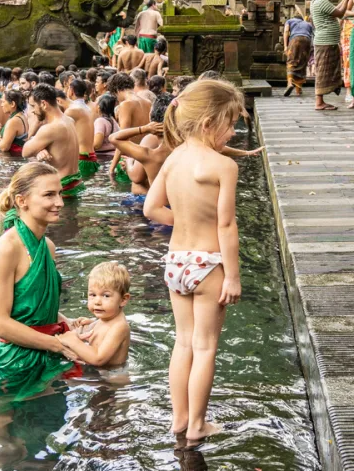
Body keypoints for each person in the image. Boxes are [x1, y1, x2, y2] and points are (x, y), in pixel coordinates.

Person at [143, 80, 244, 443]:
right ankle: (199, 424)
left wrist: (184, 220)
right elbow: (227, 225)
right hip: (208, 264)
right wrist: (231, 276)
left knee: (183, 342)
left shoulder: (173, 158)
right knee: (205, 347)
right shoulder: (222, 167)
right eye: (230, 123)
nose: (233, 131)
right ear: (208, 124)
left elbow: (151, 208)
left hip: (175, 261)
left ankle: (179, 418)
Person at [0, 162, 82, 400]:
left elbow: (34, 306)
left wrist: (70, 323)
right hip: (16, 362)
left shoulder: (48, 247)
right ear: (22, 200)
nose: (59, 202)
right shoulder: (5, 250)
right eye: (49, 195)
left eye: (59, 193)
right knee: (6, 433)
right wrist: (58, 345)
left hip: (48, 352)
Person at [59, 261, 133, 369]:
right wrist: (88, 325)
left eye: (106, 296)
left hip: (112, 378)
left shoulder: (120, 327)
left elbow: (98, 358)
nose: (97, 301)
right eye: (93, 295)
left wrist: (72, 341)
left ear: (123, 299)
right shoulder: (103, 320)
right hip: (97, 373)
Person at [22, 85, 83, 199]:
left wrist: (37, 147)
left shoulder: (50, 128)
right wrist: (40, 149)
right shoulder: (69, 120)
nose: (33, 111)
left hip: (61, 188)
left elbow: (25, 152)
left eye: (33, 106)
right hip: (77, 184)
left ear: (44, 104)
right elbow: (58, 147)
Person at [111, 95, 174, 201]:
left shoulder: (150, 154)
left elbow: (113, 138)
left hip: (154, 204)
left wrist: (145, 129)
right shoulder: (184, 148)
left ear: (150, 117)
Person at [309, 0, 344, 110]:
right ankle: (319, 102)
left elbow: (336, 9)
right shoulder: (321, 2)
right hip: (325, 42)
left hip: (326, 42)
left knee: (324, 70)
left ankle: (320, 101)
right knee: (322, 71)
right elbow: (340, 13)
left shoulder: (319, 2)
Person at [66, 79, 99, 177]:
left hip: (81, 158)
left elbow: (62, 133)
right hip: (91, 156)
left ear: (71, 90)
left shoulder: (72, 110)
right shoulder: (88, 108)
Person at [282, 9, 314, 97]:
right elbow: (312, 35)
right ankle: (298, 89)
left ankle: (289, 84)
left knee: (291, 62)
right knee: (302, 63)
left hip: (295, 40)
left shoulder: (290, 21)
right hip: (307, 41)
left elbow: (286, 31)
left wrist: (285, 45)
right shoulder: (307, 24)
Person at [0, 89, 29, 157]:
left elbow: (4, 147)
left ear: (12, 104)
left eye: (3, 102)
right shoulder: (22, 116)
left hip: (12, 159)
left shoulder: (13, 121)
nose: (1, 105)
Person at [92, 93, 119, 162]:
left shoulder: (100, 121)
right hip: (112, 156)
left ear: (99, 107)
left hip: (103, 158)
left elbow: (97, 144)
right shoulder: (113, 120)